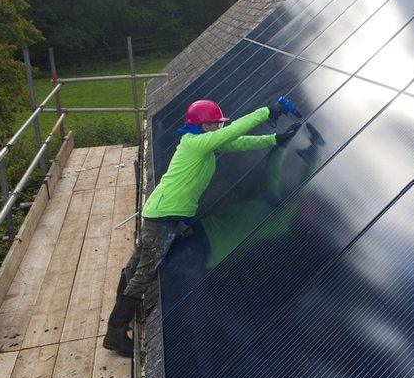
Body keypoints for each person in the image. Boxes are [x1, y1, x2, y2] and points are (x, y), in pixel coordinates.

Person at [102, 98, 299, 357]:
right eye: (216, 123)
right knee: (144, 273)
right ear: (204, 126)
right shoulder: (195, 144)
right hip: (162, 217)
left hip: (162, 213)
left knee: (136, 267)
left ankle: (119, 325)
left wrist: (275, 139)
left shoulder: (203, 143)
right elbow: (233, 131)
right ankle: (115, 333)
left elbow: (238, 142)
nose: (219, 127)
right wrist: (266, 112)